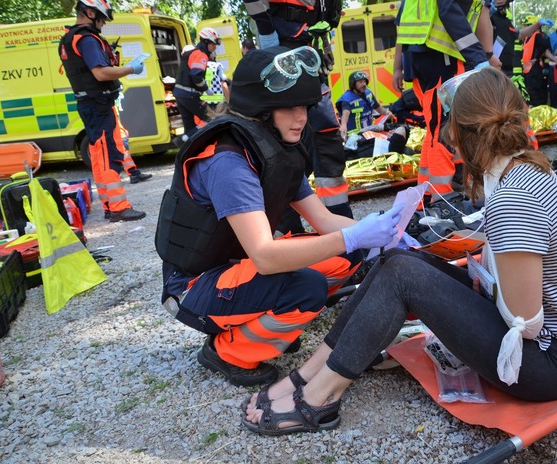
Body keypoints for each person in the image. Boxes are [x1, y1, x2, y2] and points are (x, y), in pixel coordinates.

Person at [241, 67, 557, 435]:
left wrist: (452, 294)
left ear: (463, 133)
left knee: (404, 275)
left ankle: (320, 396)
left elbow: (526, 323)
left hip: (553, 363)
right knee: (398, 260)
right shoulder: (526, 171)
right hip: (552, 345)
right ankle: (308, 375)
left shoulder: (513, 200)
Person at [155, 46, 408, 388]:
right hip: (193, 287)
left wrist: (389, 232)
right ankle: (228, 351)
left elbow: (325, 221)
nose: (301, 117)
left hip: (235, 268)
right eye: (289, 108)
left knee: (350, 252)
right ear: (260, 109)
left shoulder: (276, 150)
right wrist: (353, 236)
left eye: (304, 106)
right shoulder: (229, 162)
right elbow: (265, 255)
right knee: (308, 287)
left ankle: (267, 317)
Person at [244, 0, 353, 221]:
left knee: (323, 136)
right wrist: (269, 40)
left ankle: (339, 219)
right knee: (285, 139)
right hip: (284, 46)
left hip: (309, 47)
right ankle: (286, 223)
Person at [59, 0, 147, 222]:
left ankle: (109, 204)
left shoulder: (70, 38)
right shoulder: (87, 39)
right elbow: (100, 73)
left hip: (89, 104)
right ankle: (118, 207)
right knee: (109, 154)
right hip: (99, 105)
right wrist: (130, 69)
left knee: (99, 155)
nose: (103, 24)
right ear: (90, 13)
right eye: (102, 19)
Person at [394, 0, 490, 203]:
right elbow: (449, 11)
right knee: (444, 131)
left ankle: (426, 196)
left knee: (435, 130)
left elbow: (401, 26)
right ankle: (443, 200)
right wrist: (479, 57)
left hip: (423, 58)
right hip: (442, 57)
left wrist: (398, 68)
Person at [172, 27, 221, 148]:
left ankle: (187, 149)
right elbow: (196, 75)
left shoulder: (192, 52)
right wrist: (206, 88)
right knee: (211, 117)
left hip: (180, 94)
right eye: (213, 44)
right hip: (189, 94)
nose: (215, 47)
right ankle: (182, 140)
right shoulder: (200, 54)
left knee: (190, 127)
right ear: (206, 42)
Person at [336, 71, 391, 141]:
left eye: (365, 81)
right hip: (355, 137)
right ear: (353, 84)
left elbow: (379, 109)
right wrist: (343, 130)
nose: (364, 84)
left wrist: (387, 112)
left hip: (370, 133)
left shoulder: (368, 93)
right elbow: (345, 116)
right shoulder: (347, 99)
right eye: (360, 82)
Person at [520, 14, 557, 107]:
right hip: (528, 70)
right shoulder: (527, 37)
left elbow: (544, 46)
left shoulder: (538, 35)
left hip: (535, 69)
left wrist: (536, 58)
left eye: (527, 25)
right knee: (530, 93)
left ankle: (539, 109)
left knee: (536, 94)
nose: (526, 28)